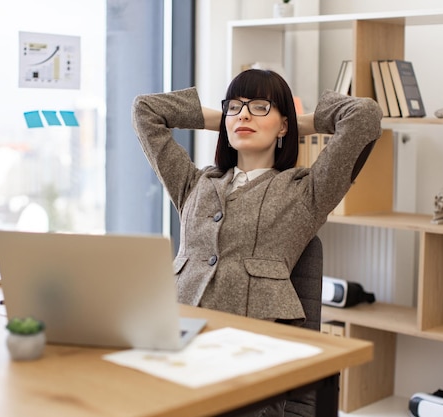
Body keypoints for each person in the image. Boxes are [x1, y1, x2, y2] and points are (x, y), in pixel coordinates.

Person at [132, 69, 382, 416]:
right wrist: (228, 120)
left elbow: (365, 116)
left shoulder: (307, 192)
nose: (244, 114)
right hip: (171, 344)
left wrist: (295, 122)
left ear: (283, 127)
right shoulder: (194, 183)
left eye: (261, 106)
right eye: (235, 106)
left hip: (247, 361)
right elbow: (145, 110)